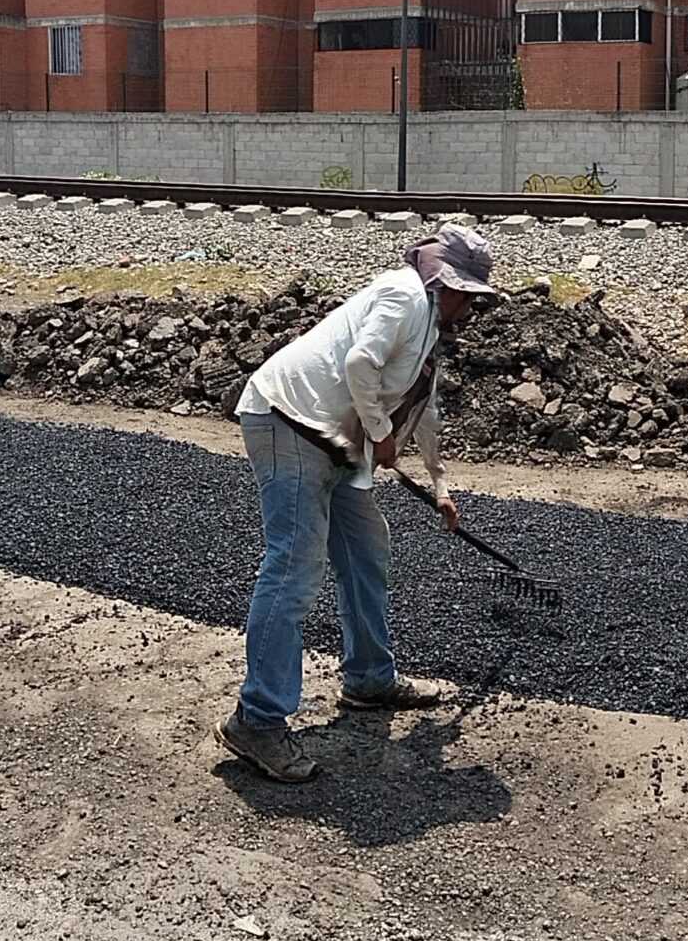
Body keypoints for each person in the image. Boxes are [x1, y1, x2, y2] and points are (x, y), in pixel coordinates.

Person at [215, 224, 501, 783]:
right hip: (288, 418)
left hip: (336, 438)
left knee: (367, 550)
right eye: (466, 294)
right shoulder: (401, 295)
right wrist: (379, 432)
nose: (470, 308)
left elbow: (427, 411)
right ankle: (258, 718)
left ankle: (368, 679)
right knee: (295, 567)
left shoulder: (431, 330)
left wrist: (440, 485)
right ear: (442, 283)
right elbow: (359, 365)